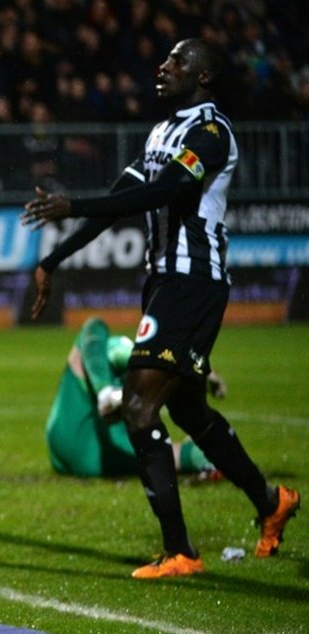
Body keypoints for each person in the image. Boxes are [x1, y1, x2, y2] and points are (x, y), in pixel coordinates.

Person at [22, 38, 300, 579]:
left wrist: (72, 203)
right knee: (189, 411)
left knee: (139, 406)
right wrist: (53, 259)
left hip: (193, 280)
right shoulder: (159, 135)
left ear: (203, 79)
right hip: (165, 282)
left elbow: (163, 191)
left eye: (178, 61)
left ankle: (180, 552)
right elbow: (120, 197)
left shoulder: (211, 134)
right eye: (166, 59)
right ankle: (271, 501)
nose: (164, 66)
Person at [47, 316, 223, 479]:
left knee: (94, 327)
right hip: (106, 457)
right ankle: (218, 455)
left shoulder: (124, 350)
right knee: (169, 454)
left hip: (64, 440)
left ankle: (105, 392)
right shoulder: (137, 358)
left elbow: (94, 331)